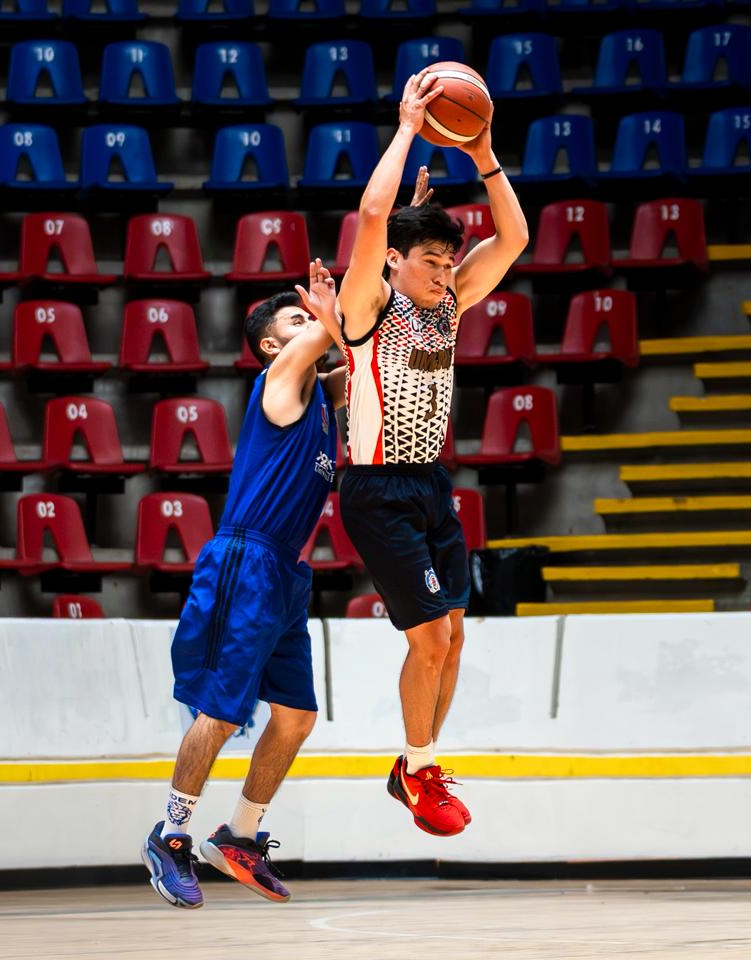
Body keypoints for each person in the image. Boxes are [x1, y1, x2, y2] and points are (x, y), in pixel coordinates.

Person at [311, 68, 529, 838]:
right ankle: (419, 768)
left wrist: (487, 151)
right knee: (430, 638)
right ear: (396, 264)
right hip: (375, 491)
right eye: (429, 262)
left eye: (447, 263)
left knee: (456, 636)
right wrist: (407, 126)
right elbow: (374, 215)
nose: (443, 274)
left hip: (433, 484)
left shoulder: (452, 307)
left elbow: (516, 238)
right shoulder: (369, 308)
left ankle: (416, 766)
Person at [142, 262, 346, 909]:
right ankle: (170, 835)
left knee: (296, 716)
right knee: (222, 715)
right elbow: (335, 336)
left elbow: (362, 350)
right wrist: (336, 308)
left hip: (285, 571)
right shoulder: (281, 378)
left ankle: (241, 835)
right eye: (298, 317)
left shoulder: (325, 401)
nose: (310, 321)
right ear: (270, 344)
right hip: (245, 559)